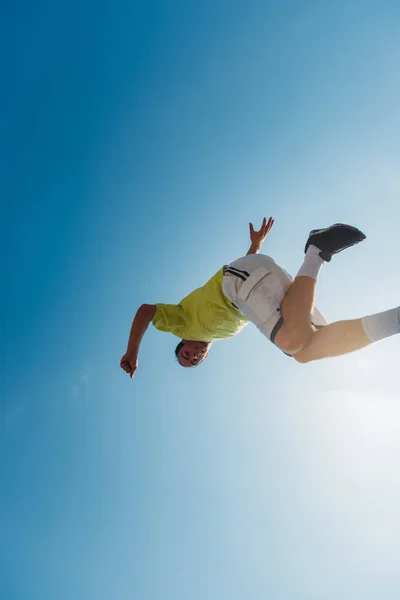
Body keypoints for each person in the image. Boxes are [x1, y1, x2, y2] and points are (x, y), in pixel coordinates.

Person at [120, 217, 399, 378]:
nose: (193, 356)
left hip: (238, 282)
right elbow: (255, 290)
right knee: (307, 350)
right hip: (256, 278)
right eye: (194, 361)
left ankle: (316, 251)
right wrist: (255, 246)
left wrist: (133, 351)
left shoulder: (182, 323)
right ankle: (395, 320)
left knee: (292, 342)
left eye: (186, 354)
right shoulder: (221, 332)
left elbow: (146, 310)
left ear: (184, 342)